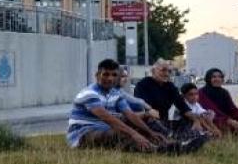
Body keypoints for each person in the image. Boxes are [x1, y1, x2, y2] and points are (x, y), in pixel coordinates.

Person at [66, 59, 203, 153]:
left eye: (114, 75)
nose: (110, 78)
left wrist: (150, 132)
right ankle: (158, 150)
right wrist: (134, 133)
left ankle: (174, 141)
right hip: (84, 132)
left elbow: (129, 114)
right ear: (97, 75)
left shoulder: (115, 93)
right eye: (105, 74)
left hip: (108, 127)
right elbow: (108, 118)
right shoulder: (89, 93)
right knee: (120, 133)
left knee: (144, 122)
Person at [134, 59, 202, 129]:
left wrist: (196, 120)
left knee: (193, 120)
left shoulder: (170, 86)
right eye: (163, 70)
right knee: (155, 122)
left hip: (163, 122)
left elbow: (182, 106)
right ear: (153, 71)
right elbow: (145, 108)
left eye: (169, 71)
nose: (167, 74)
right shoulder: (143, 85)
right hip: (146, 121)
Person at [198, 68, 238, 134]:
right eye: (214, 77)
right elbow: (211, 111)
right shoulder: (201, 93)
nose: (217, 79)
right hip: (211, 119)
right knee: (228, 126)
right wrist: (228, 120)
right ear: (208, 79)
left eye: (220, 77)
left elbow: (232, 108)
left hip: (226, 117)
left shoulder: (224, 92)